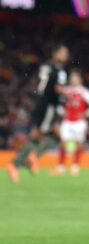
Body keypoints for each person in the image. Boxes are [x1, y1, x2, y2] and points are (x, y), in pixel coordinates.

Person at [6, 44, 70, 183]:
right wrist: (69, 96)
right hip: (49, 106)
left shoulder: (45, 66)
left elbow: (39, 84)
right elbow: (58, 89)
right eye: (63, 53)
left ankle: (27, 159)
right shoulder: (59, 71)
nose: (66, 56)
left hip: (40, 102)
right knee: (40, 136)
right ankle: (20, 162)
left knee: (47, 135)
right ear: (55, 54)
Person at [52, 70, 89, 176]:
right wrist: (61, 112)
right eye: (72, 77)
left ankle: (75, 166)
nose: (73, 79)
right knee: (63, 143)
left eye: (75, 77)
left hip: (79, 122)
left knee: (79, 144)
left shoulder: (84, 92)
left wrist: (86, 114)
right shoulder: (66, 91)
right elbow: (56, 103)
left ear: (79, 79)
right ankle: (61, 167)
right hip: (67, 121)